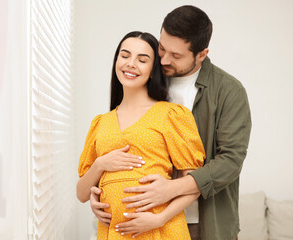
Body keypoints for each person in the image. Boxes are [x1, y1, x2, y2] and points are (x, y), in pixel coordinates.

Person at [89, 5, 252, 240]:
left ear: (201, 54)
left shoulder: (228, 91)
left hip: (203, 224)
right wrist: (99, 192)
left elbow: (230, 161)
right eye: (162, 48)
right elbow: (122, 138)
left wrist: (170, 189)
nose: (164, 59)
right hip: (144, 222)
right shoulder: (146, 75)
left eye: (176, 56)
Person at [76, 31, 205, 239]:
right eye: (125, 55)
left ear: (153, 70)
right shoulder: (100, 123)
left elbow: (194, 185)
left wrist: (159, 218)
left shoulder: (171, 115)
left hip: (161, 230)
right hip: (114, 232)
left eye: (142, 60)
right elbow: (81, 194)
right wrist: (100, 164)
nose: (131, 64)